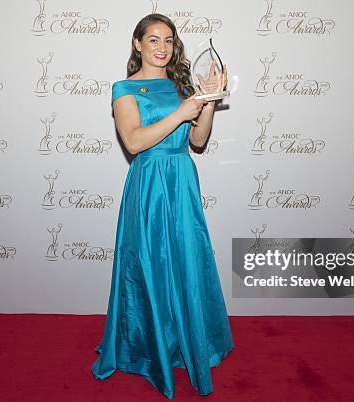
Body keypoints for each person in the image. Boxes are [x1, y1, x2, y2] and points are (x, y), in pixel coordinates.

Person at [91, 13, 234, 400]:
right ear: (137, 44)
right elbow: (134, 143)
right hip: (150, 185)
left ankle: (188, 342)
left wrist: (205, 101)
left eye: (168, 40)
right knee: (151, 263)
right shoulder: (123, 89)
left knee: (186, 258)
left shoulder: (180, 85)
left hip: (181, 180)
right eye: (153, 40)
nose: (161, 47)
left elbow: (199, 141)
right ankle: (149, 349)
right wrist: (179, 112)